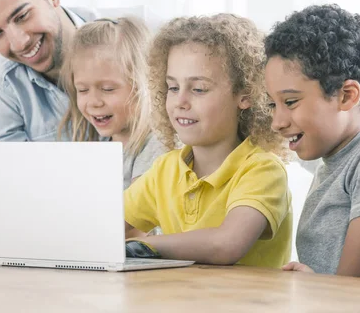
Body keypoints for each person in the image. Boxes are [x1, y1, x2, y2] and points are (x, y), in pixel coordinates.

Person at [0, 0, 142, 242]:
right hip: (69, 253)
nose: (18, 42)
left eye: (22, 17)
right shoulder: (0, 86)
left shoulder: (141, 37)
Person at [123, 14, 292, 267]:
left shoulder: (263, 170)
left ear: (245, 95)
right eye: (172, 87)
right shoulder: (164, 171)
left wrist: (144, 247)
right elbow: (103, 227)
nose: (180, 102)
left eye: (198, 89)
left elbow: (226, 244)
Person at [265, 4, 360, 281]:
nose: (277, 121)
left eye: (290, 102)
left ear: (346, 96)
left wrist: (310, 284)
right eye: (272, 104)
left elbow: (354, 288)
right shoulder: (332, 162)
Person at [58, 18, 167, 188]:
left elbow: (136, 212)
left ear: (144, 84)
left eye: (108, 89)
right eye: (83, 90)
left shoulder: (156, 147)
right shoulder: (102, 145)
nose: (93, 102)